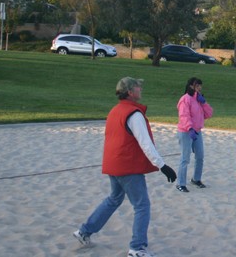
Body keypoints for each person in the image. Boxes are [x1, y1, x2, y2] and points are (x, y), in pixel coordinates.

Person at [73, 77, 177, 257]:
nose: (140, 89)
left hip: (114, 164)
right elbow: (145, 143)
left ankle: (84, 231)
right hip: (127, 166)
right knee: (142, 205)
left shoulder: (115, 110)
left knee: (114, 199)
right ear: (130, 92)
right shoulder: (134, 114)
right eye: (137, 87)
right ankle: (137, 248)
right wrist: (162, 165)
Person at [176, 77, 213, 192]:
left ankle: (196, 179)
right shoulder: (185, 99)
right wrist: (190, 128)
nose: (199, 88)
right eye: (197, 85)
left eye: (200, 85)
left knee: (200, 156)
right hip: (186, 132)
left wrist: (204, 102)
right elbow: (184, 116)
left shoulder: (198, 99)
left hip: (197, 131)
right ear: (191, 86)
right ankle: (180, 183)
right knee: (185, 158)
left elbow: (208, 114)